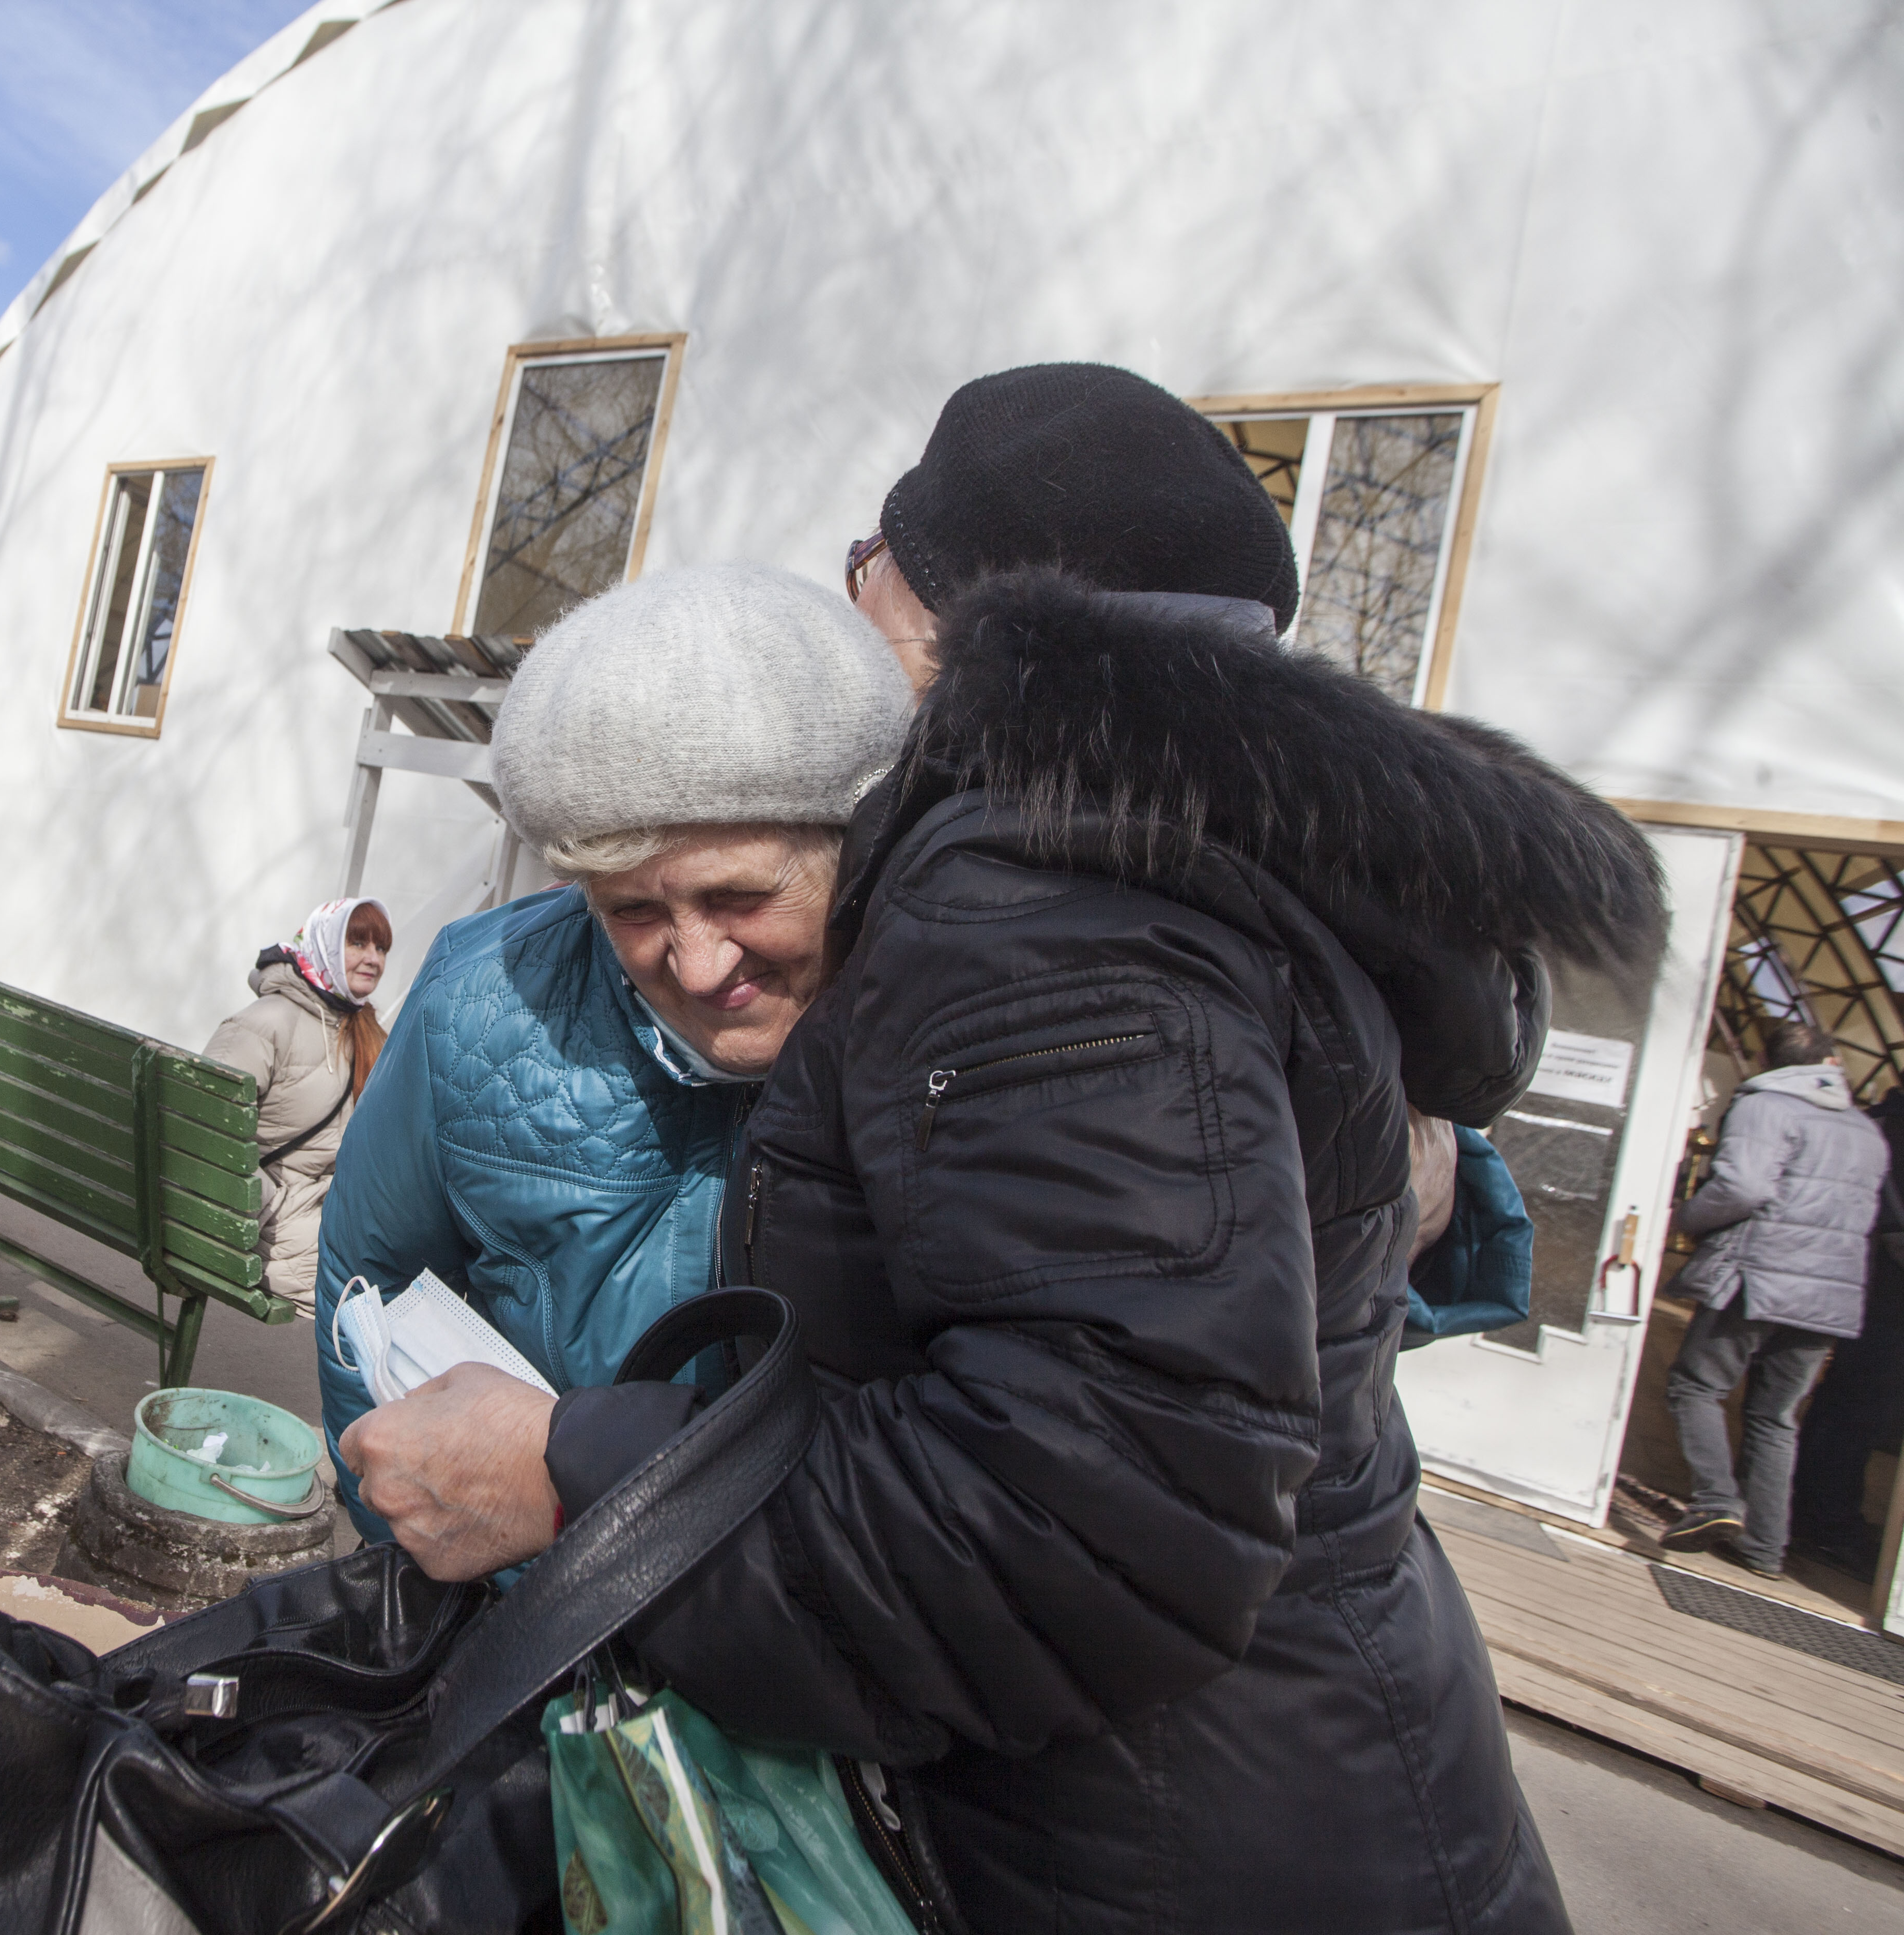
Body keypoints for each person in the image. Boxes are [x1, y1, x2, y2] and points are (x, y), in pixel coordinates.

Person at [342, 365, 1661, 1932]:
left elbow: (1087, 1520)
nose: (696, 961)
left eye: (871, 567)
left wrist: (573, 1478)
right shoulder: (1154, 869)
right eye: (637, 907)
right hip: (1214, 1804)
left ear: (964, 624)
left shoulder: (1041, 909)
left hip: (1173, 1849)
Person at [315, 562, 912, 1527]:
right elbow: (368, 1287)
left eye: (740, 896)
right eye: (633, 909)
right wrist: (438, 1554)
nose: (702, 962)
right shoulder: (478, 1003)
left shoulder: (948, 1017)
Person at [1662, 1019, 1891, 1576]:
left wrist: (1680, 1221)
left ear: (1771, 1061)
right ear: (1832, 1064)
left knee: (1695, 1385)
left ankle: (1717, 1500)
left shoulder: (1766, 1105)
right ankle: (1766, 1547)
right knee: (1776, 1417)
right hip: (1830, 1295)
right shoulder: (1865, 1130)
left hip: (1759, 1276)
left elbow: (1743, 1187)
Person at [202, 897, 393, 1314]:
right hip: (267, 1220)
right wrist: (266, 1202)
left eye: (381, 948)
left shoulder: (364, 1028)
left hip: (324, 1211)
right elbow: (205, 1134)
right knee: (378, 1307)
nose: (373, 959)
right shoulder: (266, 1022)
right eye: (358, 943)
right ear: (324, 943)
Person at [1790, 1085, 1904, 1578]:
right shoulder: (1891, 1128)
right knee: (1857, 1410)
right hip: (1887, 1294)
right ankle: (1828, 1524)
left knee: (1846, 1405)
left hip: (1871, 1284)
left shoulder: (1882, 1120)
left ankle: (1813, 1513)